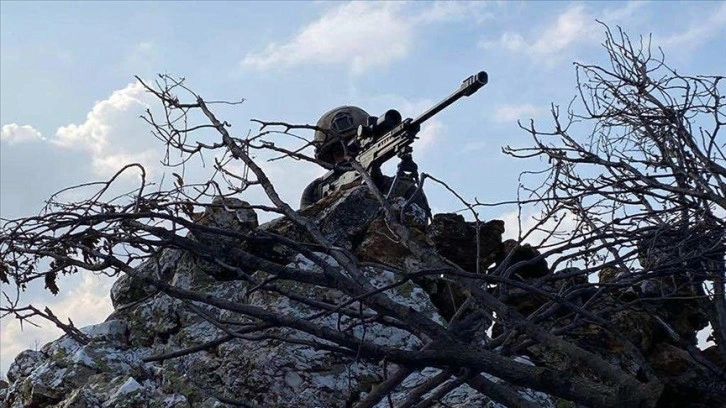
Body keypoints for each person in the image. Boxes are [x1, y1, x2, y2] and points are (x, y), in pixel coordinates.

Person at [300, 106, 430, 224]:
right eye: (340, 151)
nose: (348, 156)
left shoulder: (403, 189)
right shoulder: (315, 193)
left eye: (353, 149)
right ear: (330, 158)